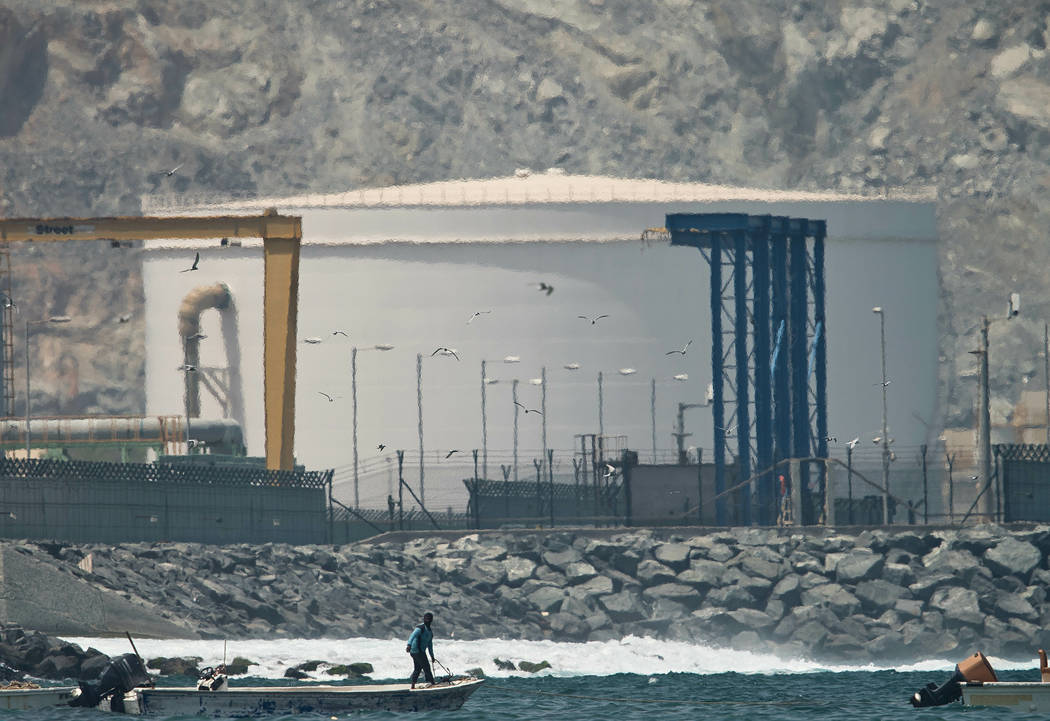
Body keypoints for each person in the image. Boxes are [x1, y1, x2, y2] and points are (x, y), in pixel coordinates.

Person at [405, 611, 436, 688]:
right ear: (424, 619)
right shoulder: (420, 628)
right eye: (426, 618)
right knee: (426, 666)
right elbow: (412, 636)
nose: (428, 620)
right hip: (416, 651)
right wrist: (409, 645)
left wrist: (432, 656)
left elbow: (430, 645)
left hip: (421, 652)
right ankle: (431, 682)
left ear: (431, 620)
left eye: (429, 618)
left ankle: (413, 684)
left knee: (418, 668)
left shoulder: (430, 632)